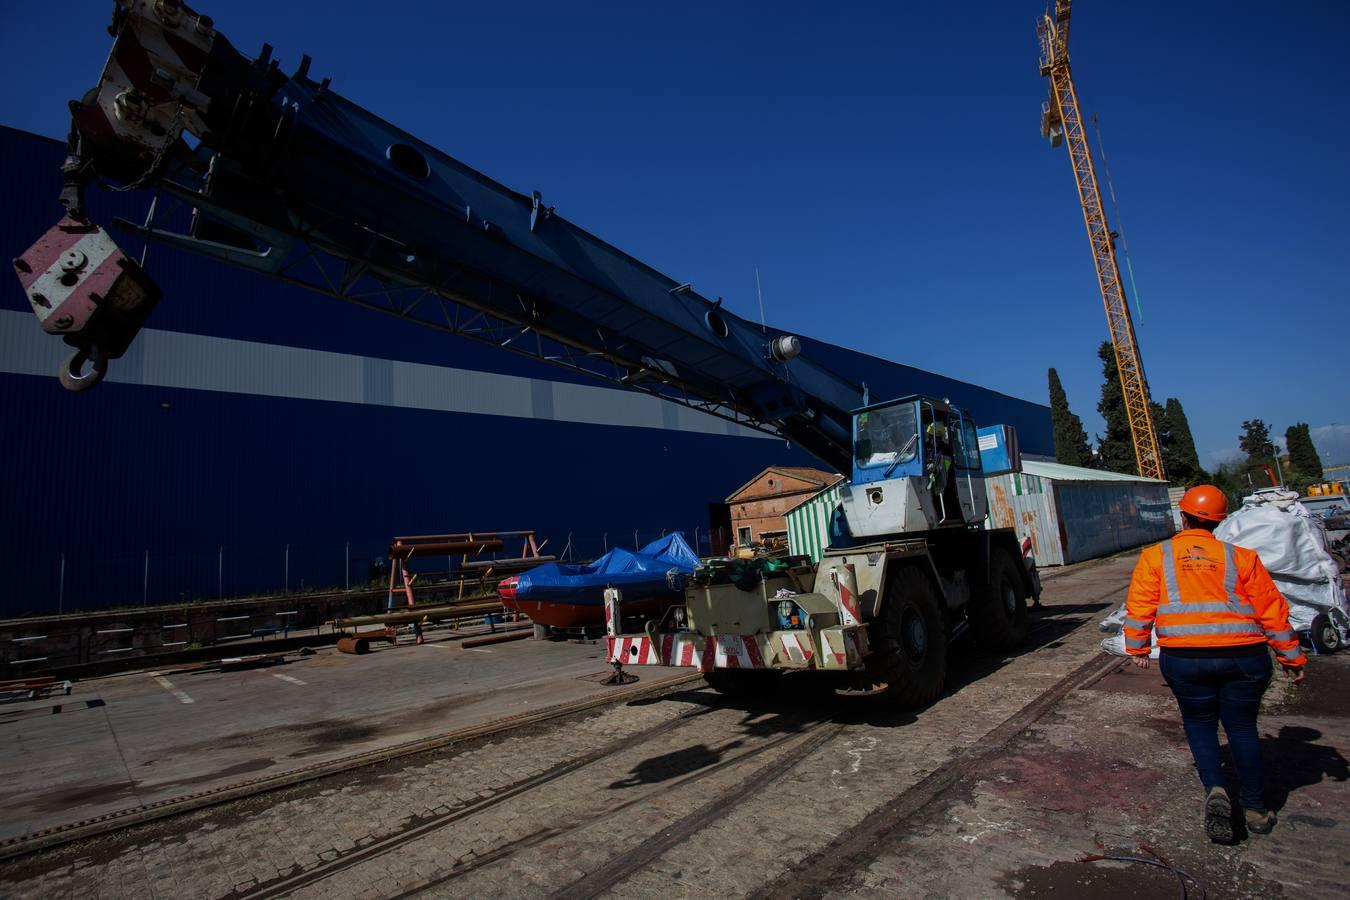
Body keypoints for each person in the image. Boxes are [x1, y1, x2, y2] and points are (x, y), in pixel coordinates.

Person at [1123, 484, 1306, 843]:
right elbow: (1272, 611)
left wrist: (1138, 648)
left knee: (1200, 724)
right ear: (1219, 521)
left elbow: (1140, 605)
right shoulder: (1241, 557)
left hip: (1185, 659)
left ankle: (1216, 790)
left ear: (1183, 515)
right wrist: (1291, 657)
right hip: (1244, 657)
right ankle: (1254, 808)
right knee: (1242, 729)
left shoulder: (1155, 556)